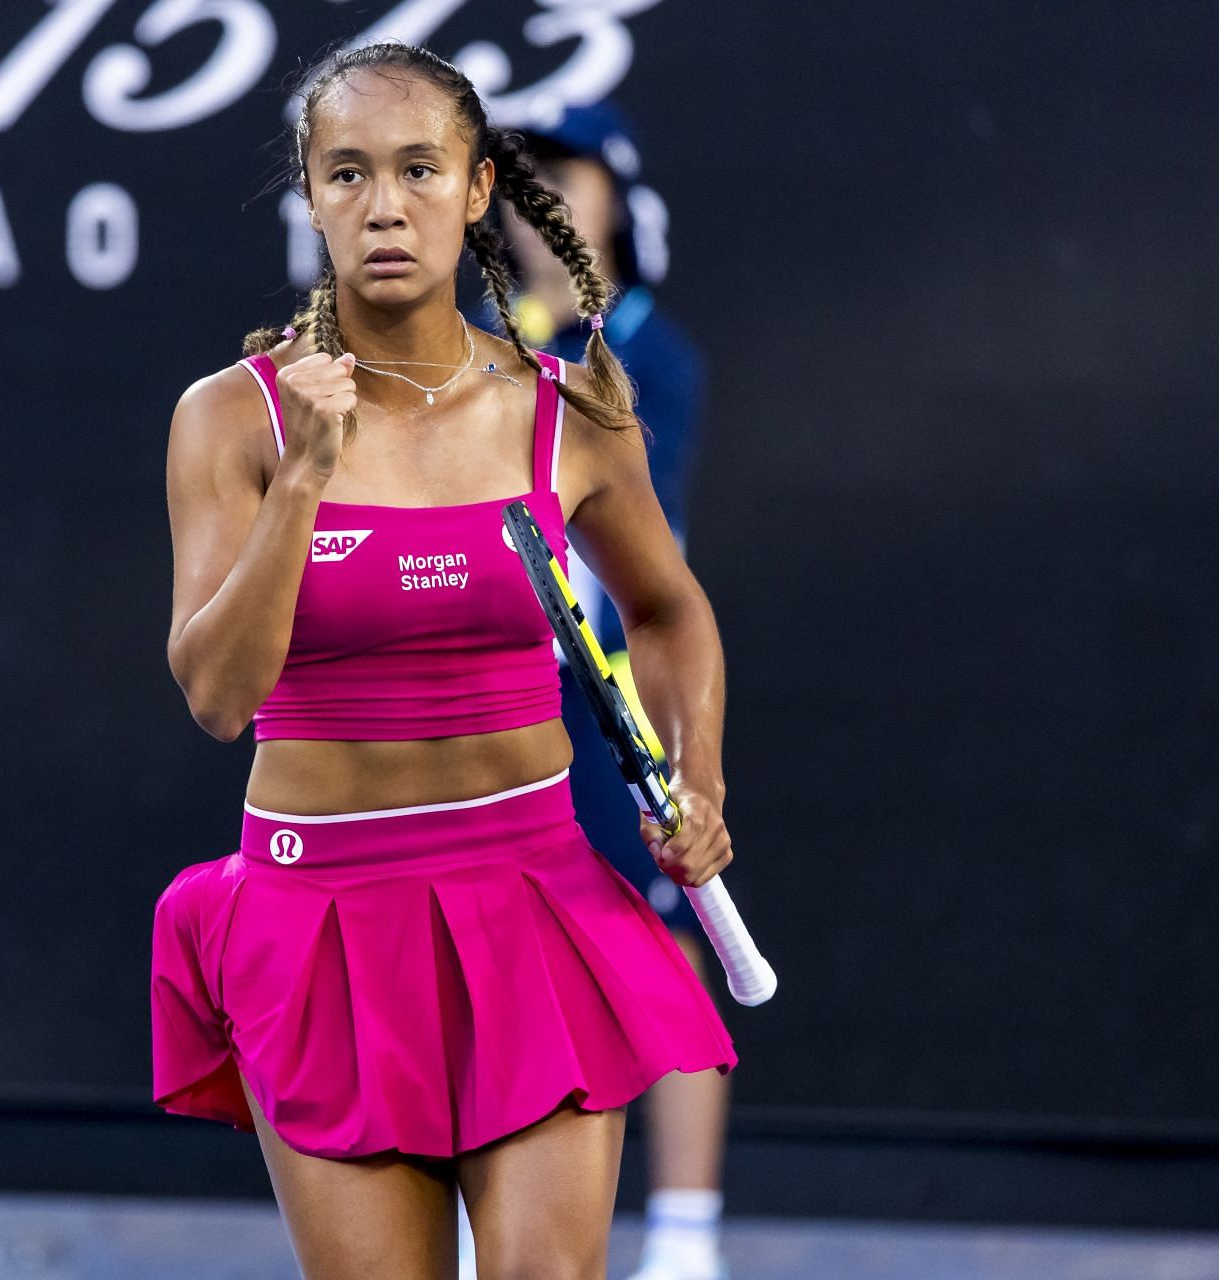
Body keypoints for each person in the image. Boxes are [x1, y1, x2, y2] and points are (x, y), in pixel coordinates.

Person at [152, 41, 739, 1280]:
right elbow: (216, 694)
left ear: (478, 191)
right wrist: (305, 479)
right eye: (348, 173)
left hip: (533, 901)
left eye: (421, 168)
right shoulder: (232, 418)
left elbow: (670, 612)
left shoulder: (571, 407)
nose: (385, 204)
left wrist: (702, 779)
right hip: (319, 924)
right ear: (311, 199)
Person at [454, 102, 735, 1280]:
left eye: (567, 182)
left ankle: (682, 1238)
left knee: (667, 945)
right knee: (486, 956)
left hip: (612, 703)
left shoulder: (652, 358)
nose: (544, 206)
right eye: (523, 186)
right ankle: (477, 1229)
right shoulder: (472, 345)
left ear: (618, 200)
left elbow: (640, 548)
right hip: (495, 707)